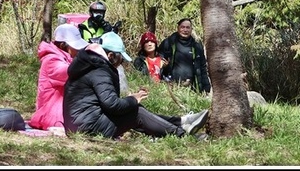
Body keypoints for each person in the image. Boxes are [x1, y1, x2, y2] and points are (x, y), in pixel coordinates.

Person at [63, 32, 209, 140]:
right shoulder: (99, 70)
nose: (121, 63)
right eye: (120, 58)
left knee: (134, 108)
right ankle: (182, 134)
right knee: (136, 112)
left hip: (80, 123)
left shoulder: (90, 64)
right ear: (110, 56)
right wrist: (133, 99)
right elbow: (112, 105)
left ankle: (181, 122)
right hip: (87, 128)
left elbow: (105, 102)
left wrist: (130, 100)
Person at [28, 23, 88, 131]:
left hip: (61, 110)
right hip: (51, 114)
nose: (78, 50)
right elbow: (69, 72)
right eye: (75, 47)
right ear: (62, 46)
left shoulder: (66, 59)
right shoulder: (52, 60)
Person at [158, 18, 211, 94]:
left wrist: (206, 88)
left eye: (188, 27)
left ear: (191, 29)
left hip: (192, 88)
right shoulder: (169, 42)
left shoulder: (197, 45)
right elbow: (158, 60)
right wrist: (164, 66)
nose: (185, 30)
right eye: (182, 27)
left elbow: (202, 67)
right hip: (172, 86)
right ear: (178, 28)